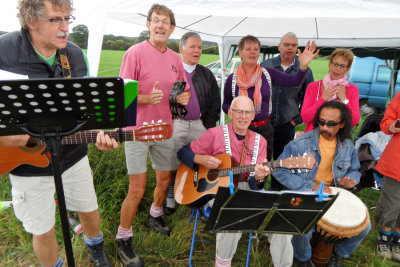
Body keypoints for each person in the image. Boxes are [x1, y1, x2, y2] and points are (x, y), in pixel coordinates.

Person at [0, 1, 118, 266]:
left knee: (88, 208)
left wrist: (99, 133)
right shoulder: (3, 52)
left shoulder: (75, 56)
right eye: (55, 20)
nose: (65, 27)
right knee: (42, 229)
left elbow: (86, 111)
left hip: (73, 155)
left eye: (68, 18)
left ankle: (95, 247)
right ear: (31, 20)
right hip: (26, 165)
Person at [178, 96, 294, 267]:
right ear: (230, 113)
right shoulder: (214, 134)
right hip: (215, 190)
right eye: (239, 111)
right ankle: (223, 264)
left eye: (248, 112)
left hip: (248, 191)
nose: (243, 116)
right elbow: (182, 153)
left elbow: (256, 186)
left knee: (280, 221)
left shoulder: (260, 141)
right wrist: (199, 159)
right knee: (232, 215)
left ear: (253, 115)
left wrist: (260, 177)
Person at [116, 4, 190, 267]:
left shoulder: (174, 58)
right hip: (136, 131)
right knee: (136, 188)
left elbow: (183, 91)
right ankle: (123, 237)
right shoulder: (134, 53)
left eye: (165, 22)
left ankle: (155, 214)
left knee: (164, 178)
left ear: (172, 28)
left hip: (165, 128)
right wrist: (146, 98)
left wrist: (184, 96)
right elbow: (121, 96)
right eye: (156, 20)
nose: (160, 25)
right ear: (148, 25)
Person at [273, 101, 371, 267]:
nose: (325, 127)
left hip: (334, 192)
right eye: (321, 122)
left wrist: (352, 179)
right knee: (304, 225)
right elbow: (279, 170)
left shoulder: (347, 145)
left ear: (342, 124)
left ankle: (338, 252)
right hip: (304, 192)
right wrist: (311, 186)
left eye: (331, 124)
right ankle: (303, 258)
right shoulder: (300, 144)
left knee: (365, 227)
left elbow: (355, 169)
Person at [222, 35, 318, 163]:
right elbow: (226, 105)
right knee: (241, 163)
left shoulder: (267, 73)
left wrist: (303, 67)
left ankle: (261, 183)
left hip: (264, 129)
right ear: (240, 52)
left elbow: (293, 81)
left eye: (256, 49)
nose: (253, 52)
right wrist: (236, 112)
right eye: (248, 49)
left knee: (263, 164)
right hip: (241, 129)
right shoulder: (232, 79)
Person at [164, 31, 221, 215]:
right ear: (181, 48)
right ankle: (170, 198)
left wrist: (207, 126)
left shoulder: (206, 74)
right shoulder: (171, 72)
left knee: (202, 162)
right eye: (193, 47)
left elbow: (214, 102)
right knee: (172, 162)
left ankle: (200, 197)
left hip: (199, 124)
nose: (197, 51)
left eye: (200, 48)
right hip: (176, 124)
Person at [260, 32, 314, 190]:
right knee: (261, 159)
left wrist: (296, 120)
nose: (290, 48)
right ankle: (258, 189)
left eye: (293, 45)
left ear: (297, 48)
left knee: (281, 160)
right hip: (264, 122)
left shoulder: (305, 70)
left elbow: (308, 99)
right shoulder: (266, 66)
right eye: (286, 44)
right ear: (279, 46)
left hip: (286, 123)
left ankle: (276, 191)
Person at [301, 48, 360, 132]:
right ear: (329, 64)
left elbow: (353, 122)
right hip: (313, 139)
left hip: (339, 140)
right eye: (335, 64)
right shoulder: (313, 87)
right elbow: (305, 118)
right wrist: (323, 99)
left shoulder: (353, 89)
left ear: (348, 68)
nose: (338, 68)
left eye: (342, 66)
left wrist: (344, 100)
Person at [374, 91, 400, 263]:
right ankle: (384, 238)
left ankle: (397, 240)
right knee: (392, 201)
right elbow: (386, 123)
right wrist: (392, 126)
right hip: (397, 161)